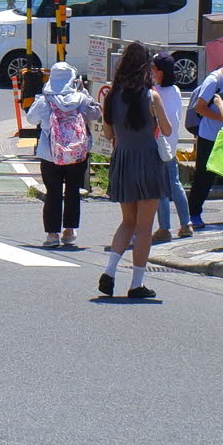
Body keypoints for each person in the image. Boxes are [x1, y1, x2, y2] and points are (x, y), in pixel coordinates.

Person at [95, 41, 168, 301]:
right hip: (148, 160)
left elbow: (108, 133)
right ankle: (137, 283)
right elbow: (168, 130)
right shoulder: (151, 96)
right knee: (145, 227)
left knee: (127, 222)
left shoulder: (113, 96)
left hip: (123, 160)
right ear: (145, 67)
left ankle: (110, 270)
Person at [29, 62, 95, 248]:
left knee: (53, 192)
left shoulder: (45, 100)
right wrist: (85, 93)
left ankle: (52, 234)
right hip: (77, 153)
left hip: (51, 154)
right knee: (73, 190)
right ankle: (69, 231)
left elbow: (31, 119)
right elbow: (96, 114)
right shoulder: (80, 98)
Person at [183, 52, 223, 231]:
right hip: (210, 136)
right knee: (204, 178)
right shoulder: (215, 80)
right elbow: (200, 107)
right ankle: (194, 214)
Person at [150, 52, 192, 242]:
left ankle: (164, 228)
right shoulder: (174, 89)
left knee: (161, 188)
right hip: (172, 144)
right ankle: (186, 223)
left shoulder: (154, 92)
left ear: (159, 72)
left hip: (158, 144)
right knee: (175, 184)